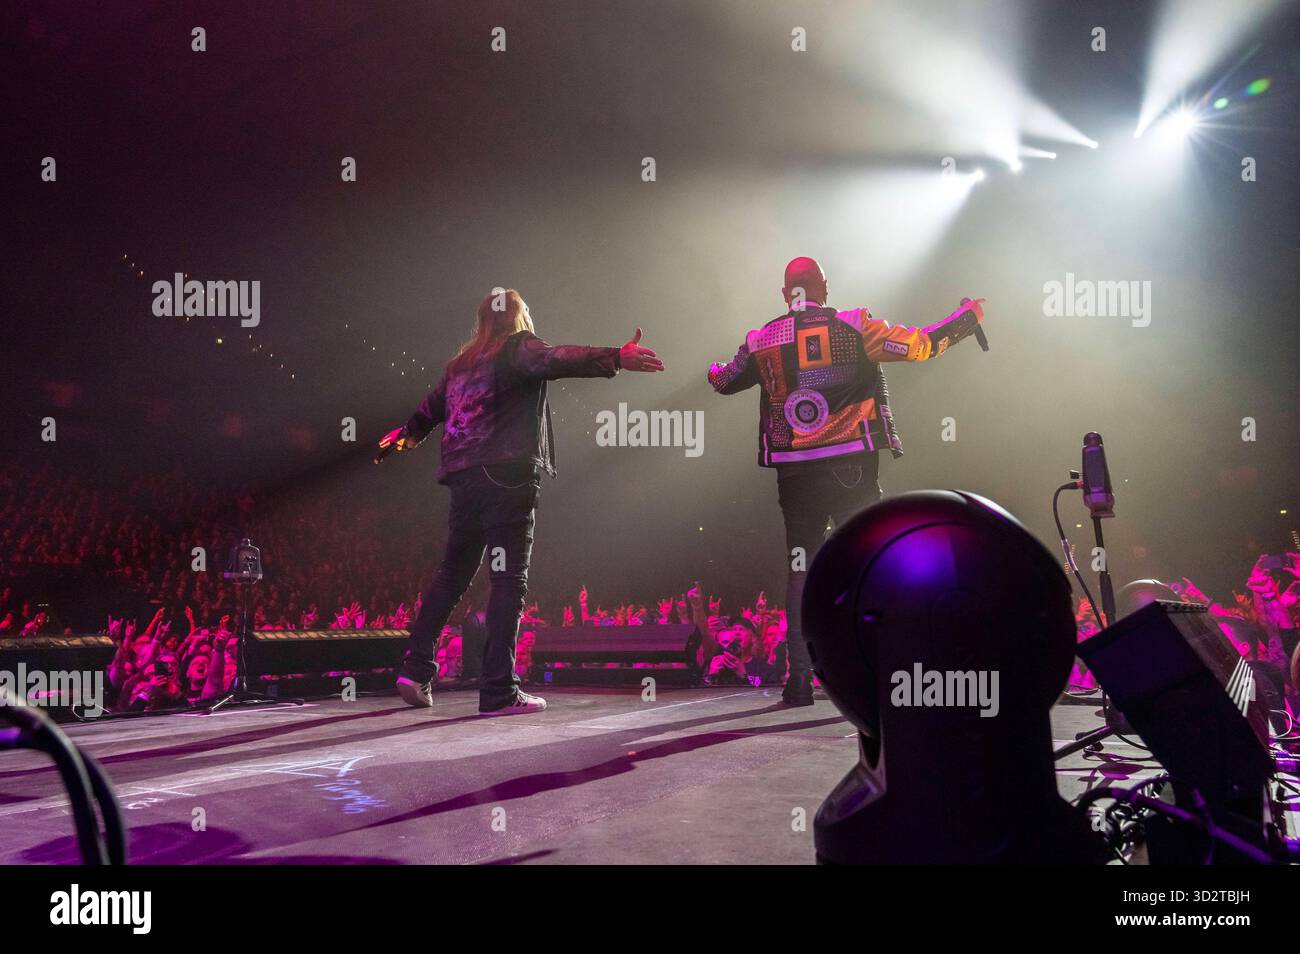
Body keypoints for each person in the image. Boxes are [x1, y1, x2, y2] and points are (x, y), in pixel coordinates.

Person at [707, 256, 985, 705]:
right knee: (868, 562)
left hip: (794, 471)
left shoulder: (761, 340)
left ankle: (799, 681)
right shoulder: (856, 326)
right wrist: (966, 319)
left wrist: (713, 368)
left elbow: (722, 381)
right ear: (825, 287)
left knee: (801, 569)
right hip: (851, 462)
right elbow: (919, 345)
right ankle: (876, 675)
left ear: (785, 294)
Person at [379, 288, 664, 715]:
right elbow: (557, 358)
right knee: (508, 580)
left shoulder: (460, 365)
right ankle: (499, 691)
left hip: (463, 478)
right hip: (507, 476)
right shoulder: (517, 348)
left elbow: (426, 412)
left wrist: (400, 438)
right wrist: (615, 356)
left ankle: (415, 670)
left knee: (451, 577)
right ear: (518, 316)